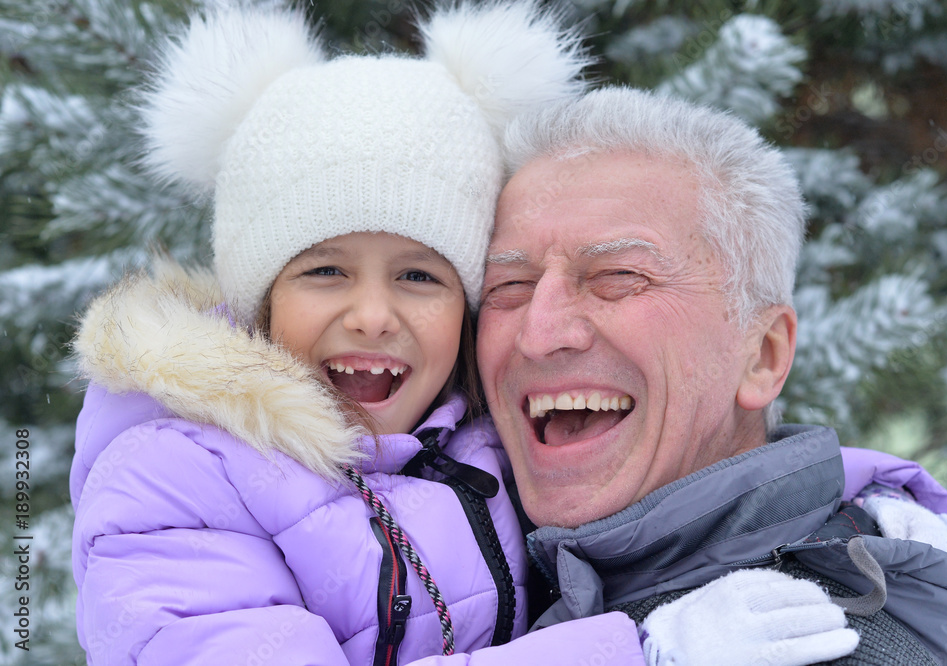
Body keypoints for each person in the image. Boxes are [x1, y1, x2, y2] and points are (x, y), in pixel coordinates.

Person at [69, 3, 652, 664]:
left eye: (417, 276)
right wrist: (642, 652)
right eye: (325, 270)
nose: (373, 314)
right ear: (259, 300)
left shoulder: (493, 448)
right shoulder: (172, 479)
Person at [477, 85, 947, 665]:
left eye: (618, 275)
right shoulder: (474, 591)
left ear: (763, 356)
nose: (538, 333)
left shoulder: (818, 643)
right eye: (508, 287)